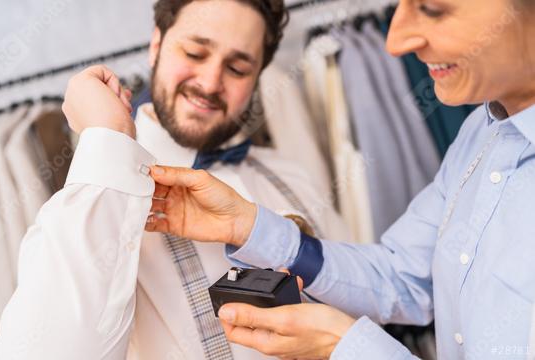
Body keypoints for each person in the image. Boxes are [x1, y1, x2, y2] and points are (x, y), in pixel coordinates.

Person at [144, 0, 535, 359]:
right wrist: (247, 227)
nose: (395, 40)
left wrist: (347, 346)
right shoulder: (481, 133)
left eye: (431, 8)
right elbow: (402, 275)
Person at [0, 1, 352, 359]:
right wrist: (110, 136)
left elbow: (359, 313)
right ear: (156, 45)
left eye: (238, 68)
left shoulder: (295, 175)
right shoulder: (99, 200)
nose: (210, 82)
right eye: (195, 52)